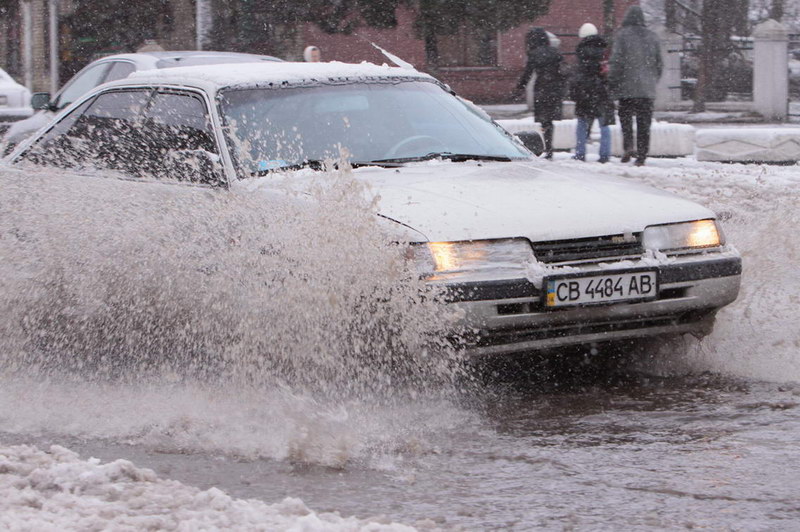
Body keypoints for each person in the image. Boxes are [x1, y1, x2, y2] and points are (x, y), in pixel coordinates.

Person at [608, 5, 663, 166]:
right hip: (647, 90)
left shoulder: (622, 36)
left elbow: (616, 61)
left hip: (626, 88)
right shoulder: (653, 37)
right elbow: (659, 63)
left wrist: (613, 81)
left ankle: (628, 146)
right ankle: (642, 154)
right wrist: (652, 80)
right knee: (644, 123)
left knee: (625, 119)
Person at [516, 27, 564, 159]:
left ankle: (548, 147)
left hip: (541, 88)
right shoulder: (555, 53)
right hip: (554, 89)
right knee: (550, 120)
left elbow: (528, 73)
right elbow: (563, 71)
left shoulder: (534, 54)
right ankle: (550, 147)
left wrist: (520, 87)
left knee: (544, 120)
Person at [570, 23, 613, 163]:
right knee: (604, 125)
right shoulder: (604, 49)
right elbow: (607, 72)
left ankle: (580, 153)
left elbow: (578, 73)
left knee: (582, 123)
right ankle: (605, 154)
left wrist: (576, 90)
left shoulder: (581, 50)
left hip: (585, 91)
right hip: (601, 91)